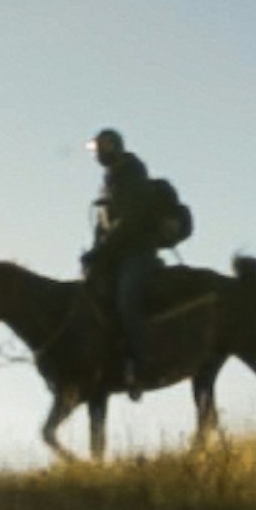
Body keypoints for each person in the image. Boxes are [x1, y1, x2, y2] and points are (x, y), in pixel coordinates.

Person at [82, 129, 188, 385]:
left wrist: (103, 249)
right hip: (114, 255)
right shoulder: (110, 181)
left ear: (113, 147)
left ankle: (143, 362)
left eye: (101, 147)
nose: (97, 153)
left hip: (137, 252)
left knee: (127, 302)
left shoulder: (132, 174)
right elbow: (105, 225)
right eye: (96, 149)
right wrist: (94, 253)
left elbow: (130, 220)